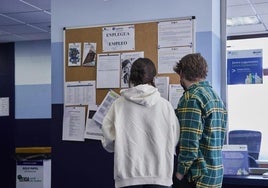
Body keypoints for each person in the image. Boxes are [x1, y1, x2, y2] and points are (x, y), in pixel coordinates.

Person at [101, 57, 180, 188]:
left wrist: (120, 148)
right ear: (153, 78)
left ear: (131, 77)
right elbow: (174, 137)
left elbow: (108, 138)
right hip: (160, 175)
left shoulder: (118, 105)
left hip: (128, 175)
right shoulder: (165, 106)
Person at [173, 53, 227, 188]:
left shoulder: (191, 97)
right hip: (214, 174)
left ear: (181, 73)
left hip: (197, 177)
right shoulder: (215, 96)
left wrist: (179, 173)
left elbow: (189, 143)